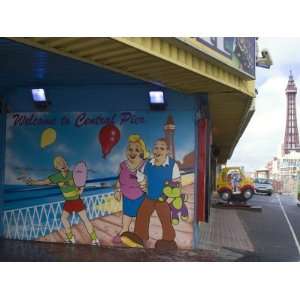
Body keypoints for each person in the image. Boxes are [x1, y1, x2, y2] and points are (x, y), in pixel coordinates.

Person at [25, 156, 100, 246]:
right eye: (59, 164)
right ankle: (71, 238)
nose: (62, 165)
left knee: (85, 219)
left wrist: (81, 190)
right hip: (68, 201)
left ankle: (95, 239)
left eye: (63, 162)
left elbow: (82, 178)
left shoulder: (73, 174)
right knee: (63, 218)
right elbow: (44, 182)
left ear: (66, 163)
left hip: (76, 200)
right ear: (56, 167)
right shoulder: (57, 177)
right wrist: (32, 182)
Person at [121, 138, 181, 250]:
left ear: (167, 151)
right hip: (149, 196)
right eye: (156, 148)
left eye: (162, 148)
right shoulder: (148, 163)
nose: (158, 150)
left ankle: (168, 240)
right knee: (142, 214)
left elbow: (176, 183)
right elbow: (140, 175)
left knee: (165, 217)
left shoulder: (173, 165)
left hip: (163, 198)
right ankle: (139, 237)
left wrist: (170, 198)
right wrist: (142, 184)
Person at [113, 134, 148, 244]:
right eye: (130, 149)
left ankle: (139, 236)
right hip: (126, 195)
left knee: (140, 217)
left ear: (141, 152)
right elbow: (119, 179)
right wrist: (117, 190)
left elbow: (150, 179)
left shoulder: (145, 164)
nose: (133, 152)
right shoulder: (122, 165)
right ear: (126, 151)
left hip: (140, 195)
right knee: (127, 215)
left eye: (136, 150)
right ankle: (124, 231)